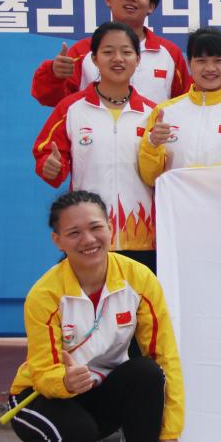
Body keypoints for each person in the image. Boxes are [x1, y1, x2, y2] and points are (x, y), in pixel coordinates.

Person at [8, 191, 184, 442]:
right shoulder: (44, 294)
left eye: (95, 227)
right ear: (58, 241)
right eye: (74, 232)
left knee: (147, 373)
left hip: (99, 387)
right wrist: (63, 381)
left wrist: (169, 433)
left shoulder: (139, 278)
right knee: (75, 436)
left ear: (110, 227)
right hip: (40, 394)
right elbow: (43, 371)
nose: (88, 240)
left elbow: (165, 357)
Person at [33, 22, 158, 272]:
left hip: (142, 239)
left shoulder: (153, 113)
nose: (118, 59)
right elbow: (47, 155)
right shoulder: (71, 109)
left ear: (137, 59)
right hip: (88, 237)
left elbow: (165, 169)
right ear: (94, 59)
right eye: (108, 52)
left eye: (126, 52)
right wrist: (49, 166)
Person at [30, 0, 189, 107]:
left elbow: (186, 104)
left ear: (151, 7)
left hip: (153, 132)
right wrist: (54, 76)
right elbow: (52, 100)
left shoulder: (169, 54)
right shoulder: (82, 51)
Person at [139, 27, 221, 186]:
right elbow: (151, 179)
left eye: (218, 61)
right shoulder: (164, 112)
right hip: (176, 201)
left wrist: (195, 175)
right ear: (189, 63)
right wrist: (152, 144)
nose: (210, 68)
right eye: (201, 61)